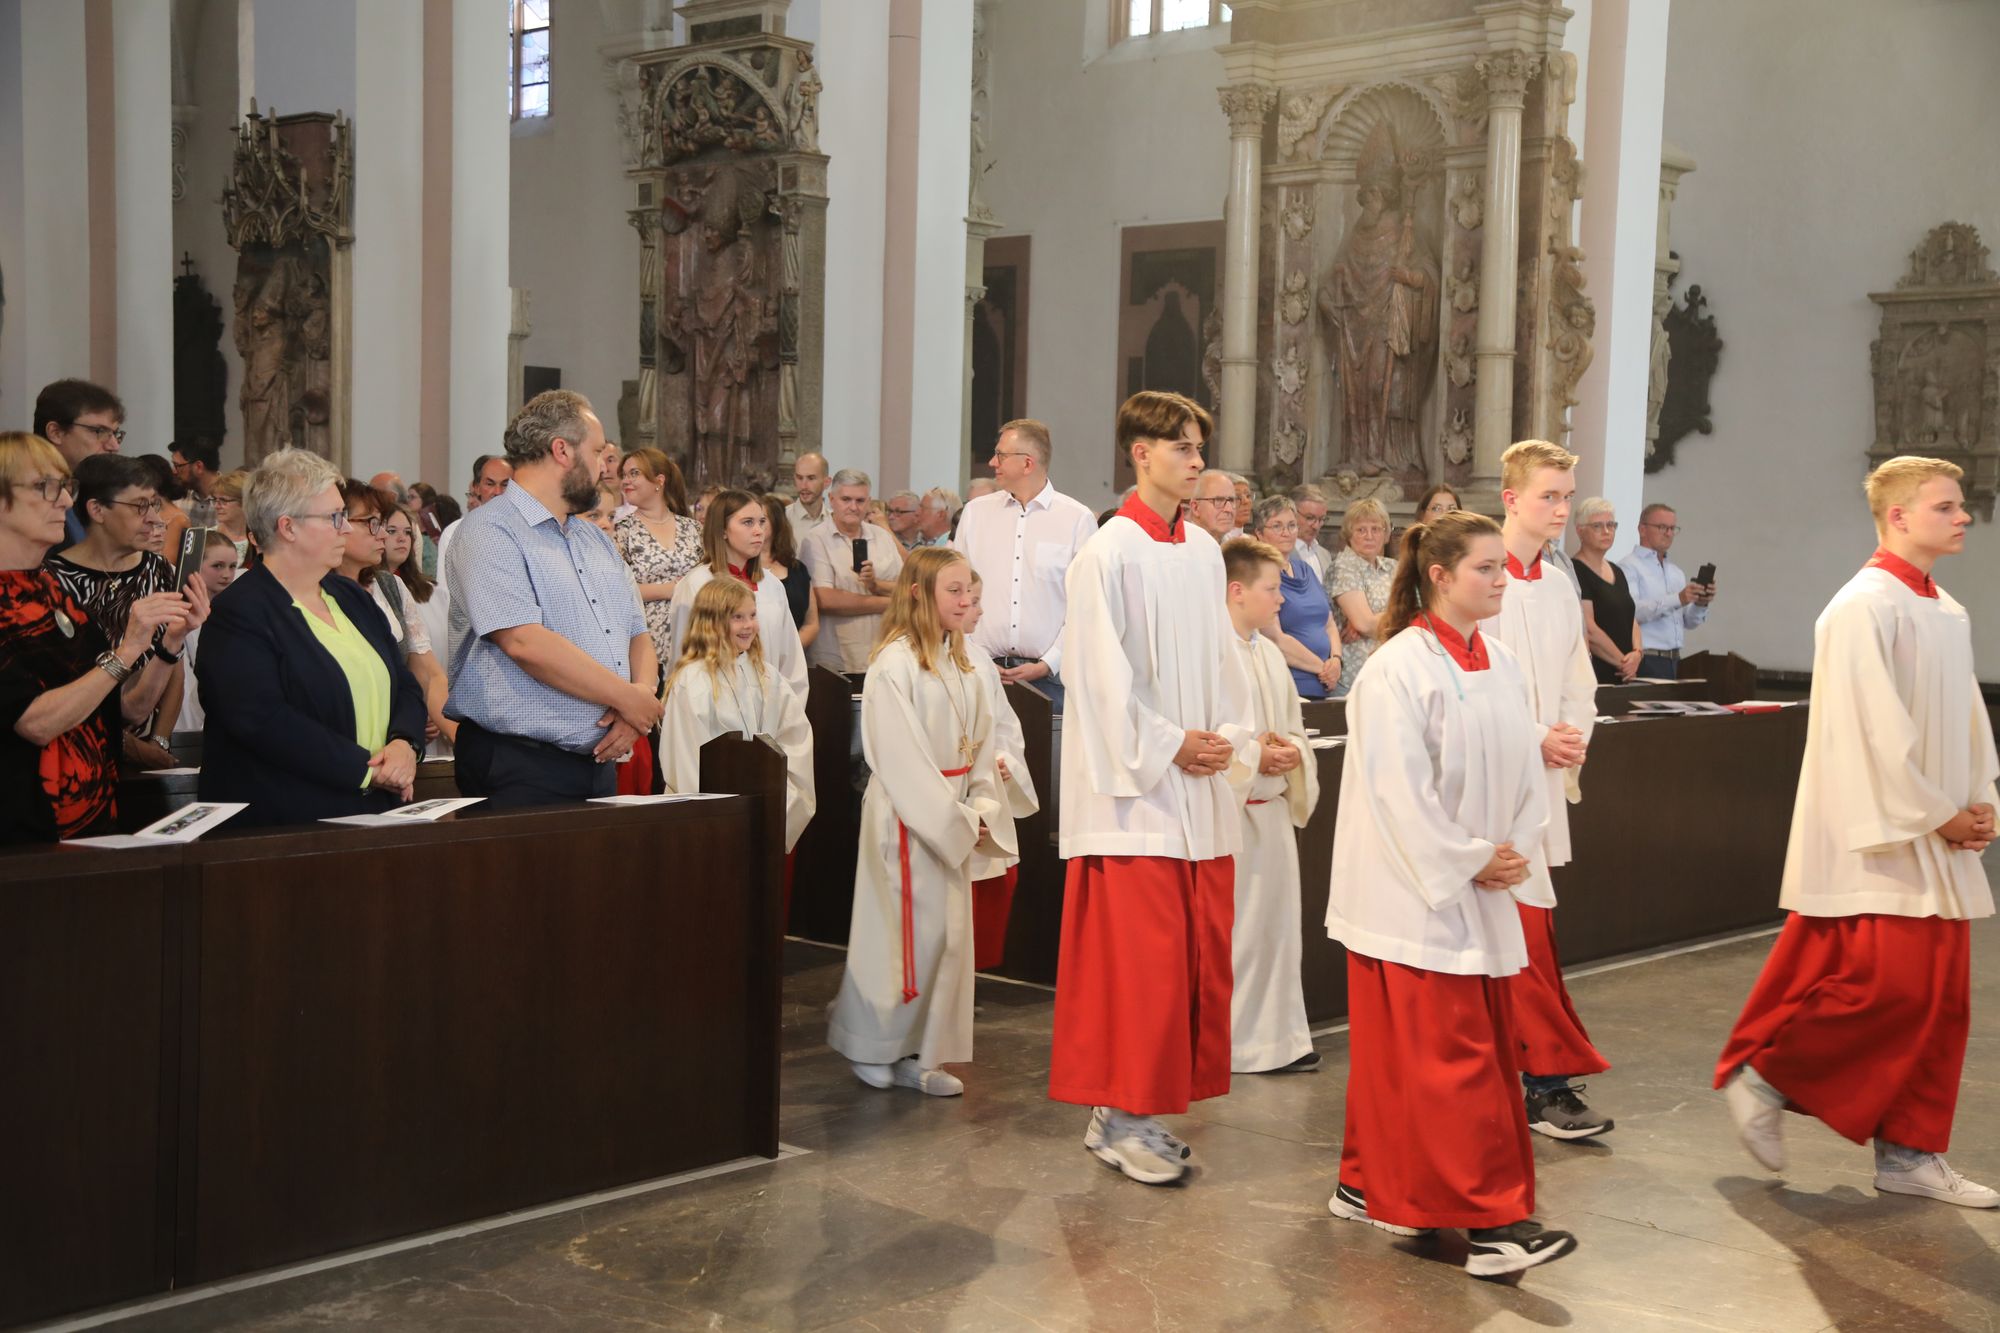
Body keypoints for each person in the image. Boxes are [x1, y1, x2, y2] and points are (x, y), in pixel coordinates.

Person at [1717, 456, 1999, 1206]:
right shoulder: (1860, 606)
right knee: (1890, 990)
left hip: (1934, 824)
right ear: (1899, 516)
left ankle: (1909, 1153)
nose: (1962, 515)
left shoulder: (1945, 606)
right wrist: (1938, 811)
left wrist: (1978, 800)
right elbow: (1871, 730)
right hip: (1882, 828)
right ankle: (1767, 1080)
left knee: (1940, 1000)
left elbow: (1968, 716)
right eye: (1946, 505)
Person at [1325, 509, 1577, 1277]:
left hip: (1482, 882)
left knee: (1437, 1058)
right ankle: (1493, 1220)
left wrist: (1516, 849)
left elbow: (1525, 762)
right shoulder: (1397, 668)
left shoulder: (1499, 661)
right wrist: (1470, 857)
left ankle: (1370, 1182)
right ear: (1439, 576)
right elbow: (1397, 792)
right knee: (1448, 1063)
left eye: (1504, 568)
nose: (1503, 581)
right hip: (1416, 894)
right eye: (1486, 569)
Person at [1049, 390, 1253, 1186]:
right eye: (1184, 448)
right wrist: (1172, 744)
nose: (1198, 462)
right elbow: (1099, 680)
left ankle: (1136, 1114)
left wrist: (1232, 738)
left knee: (1189, 963)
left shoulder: (1203, 551)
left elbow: (1223, 662)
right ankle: (1122, 1114)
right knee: (1144, 966)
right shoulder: (1107, 552)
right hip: (1136, 798)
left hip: (1194, 787)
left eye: (1200, 448)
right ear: (1140, 452)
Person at [827, 547, 1015, 1097]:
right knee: (899, 938)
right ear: (919, 593)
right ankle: (872, 1045)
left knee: (947, 941)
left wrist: (982, 809)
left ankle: (921, 1051)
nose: (965, 601)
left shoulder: (962, 661)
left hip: (953, 812)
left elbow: (979, 750)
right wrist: (954, 819)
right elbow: (899, 757)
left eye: (970, 593)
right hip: (907, 819)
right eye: (953, 591)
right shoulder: (896, 663)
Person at [442, 390, 660, 806]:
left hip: (599, 761)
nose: (604, 467)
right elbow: (524, 643)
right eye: (597, 452)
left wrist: (639, 699)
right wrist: (625, 698)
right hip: (519, 764)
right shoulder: (490, 531)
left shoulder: (594, 538)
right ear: (561, 450)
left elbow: (637, 631)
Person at [1484, 439, 1612, 1139]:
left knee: (1531, 931)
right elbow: (1468, 679)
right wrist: (1535, 732)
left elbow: (1577, 680)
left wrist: (1570, 732)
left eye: (1567, 495)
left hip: (1542, 777)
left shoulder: (1561, 584)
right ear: (1510, 499)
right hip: (1490, 784)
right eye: (1548, 496)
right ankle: (1540, 1079)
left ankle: (1533, 1078)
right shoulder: (1480, 575)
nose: (1562, 508)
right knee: (1519, 935)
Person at [196, 448, 427, 826]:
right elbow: (264, 721)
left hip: (372, 810)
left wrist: (405, 744)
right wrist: (369, 770)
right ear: (288, 527)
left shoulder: (351, 597)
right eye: (335, 517)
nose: (347, 528)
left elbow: (403, 684)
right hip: (287, 822)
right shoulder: (240, 612)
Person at [1, 433, 203, 844]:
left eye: (65, 487)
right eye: (46, 487)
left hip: (91, 822)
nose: (62, 501)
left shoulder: (49, 593)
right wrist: (127, 648)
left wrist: (168, 645)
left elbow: (123, 711)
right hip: (22, 829)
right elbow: (36, 723)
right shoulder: (25, 595)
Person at [1220, 536, 1320, 1074]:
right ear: (1237, 591)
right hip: (1234, 813)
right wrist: (1257, 755)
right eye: (1271, 588)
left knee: (1279, 931)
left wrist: (1290, 753)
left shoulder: (1266, 651)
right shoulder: (1211, 651)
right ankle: (1237, 1044)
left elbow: (1294, 727)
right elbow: (1211, 734)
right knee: (1242, 934)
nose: (1280, 599)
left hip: (1271, 810)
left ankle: (1282, 1040)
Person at [659, 577, 816, 857]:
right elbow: (686, 761)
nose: (749, 626)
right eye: (737, 617)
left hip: (764, 809)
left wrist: (781, 803)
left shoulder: (767, 675)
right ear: (711, 622)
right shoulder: (693, 680)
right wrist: (721, 818)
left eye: (753, 615)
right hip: (713, 822)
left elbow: (795, 739)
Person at [951, 419, 1096, 711]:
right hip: (980, 671)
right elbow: (956, 590)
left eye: (1001, 455)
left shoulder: (1076, 519)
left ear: (1027, 463)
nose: (993, 462)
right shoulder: (976, 514)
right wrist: (972, 655)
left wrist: (1048, 662)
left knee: (1047, 758)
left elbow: (1086, 605)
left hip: (1052, 680)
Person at [960, 569, 1040, 972]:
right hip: (950, 791)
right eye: (968, 600)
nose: (976, 610)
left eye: (976, 600)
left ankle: (969, 977)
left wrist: (1005, 762)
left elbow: (1006, 726)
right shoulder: (904, 658)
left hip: (984, 790)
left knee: (986, 890)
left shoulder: (978, 660)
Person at [666, 488, 810, 701]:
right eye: (748, 522)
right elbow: (682, 657)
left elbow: (790, 659)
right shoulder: (696, 584)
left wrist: (788, 710)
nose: (759, 531)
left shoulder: (771, 585)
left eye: (762, 522)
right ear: (722, 529)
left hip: (769, 707)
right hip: (714, 707)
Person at [45, 454, 177, 654]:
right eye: (139, 506)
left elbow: (176, 661)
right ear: (97, 510)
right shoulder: (52, 581)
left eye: (153, 504)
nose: (154, 518)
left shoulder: (159, 569)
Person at [801, 468, 904, 673]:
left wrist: (876, 585)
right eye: (846, 499)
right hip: (837, 660)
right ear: (831, 499)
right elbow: (825, 599)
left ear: (869, 501)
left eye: (860, 501)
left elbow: (907, 587)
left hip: (885, 653)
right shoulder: (815, 539)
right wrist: (889, 602)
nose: (853, 507)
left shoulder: (882, 536)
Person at [613, 447, 703, 671]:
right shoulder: (623, 531)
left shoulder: (692, 528)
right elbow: (618, 590)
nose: (626, 481)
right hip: (647, 648)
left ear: (659, 480)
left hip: (694, 640)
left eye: (634, 473)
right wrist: (671, 589)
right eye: (623, 475)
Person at [1251, 496, 1339, 699]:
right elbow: (1275, 638)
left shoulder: (1305, 569)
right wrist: (1324, 668)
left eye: (1292, 525)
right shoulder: (1260, 573)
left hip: (1325, 683)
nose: (1286, 533)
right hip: (1288, 684)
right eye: (1277, 526)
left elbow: (1329, 624)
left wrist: (1335, 659)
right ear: (1259, 534)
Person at [158, 529, 241, 734]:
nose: (226, 574)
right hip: (180, 719)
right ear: (195, 565)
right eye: (217, 566)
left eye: (232, 567)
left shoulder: (235, 611)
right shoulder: (179, 614)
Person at [1618, 503, 1714, 679]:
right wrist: (1678, 599)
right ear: (1642, 529)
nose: (1669, 533)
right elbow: (1631, 612)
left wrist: (1701, 602)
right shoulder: (1628, 567)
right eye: (1662, 527)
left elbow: (1689, 622)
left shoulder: (1676, 572)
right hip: (1646, 658)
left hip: (1675, 659)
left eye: (1672, 528)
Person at [34, 378, 126, 549]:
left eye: (115, 434)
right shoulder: (25, 492)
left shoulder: (90, 491)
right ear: (56, 432)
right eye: (99, 431)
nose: (114, 446)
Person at [1328, 498, 1395, 696]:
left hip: (1390, 674)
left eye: (1376, 529)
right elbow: (1365, 624)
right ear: (1349, 534)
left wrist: (1377, 619)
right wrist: (1404, 617)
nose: (1369, 536)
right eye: (1361, 530)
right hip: (1354, 677)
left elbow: (1423, 614)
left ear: (1386, 534)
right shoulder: (1344, 566)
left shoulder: (1394, 567)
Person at [1570, 497, 1641, 684]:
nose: (1606, 531)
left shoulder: (1617, 570)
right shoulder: (1575, 570)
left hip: (1626, 671)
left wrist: (1638, 654)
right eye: (1597, 526)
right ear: (1580, 531)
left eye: (1611, 525)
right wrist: (1623, 663)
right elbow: (1588, 628)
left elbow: (1630, 618)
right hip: (1598, 672)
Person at [435, 455, 511, 599]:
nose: (498, 492)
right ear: (476, 488)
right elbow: (445, 593)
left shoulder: (528, 531)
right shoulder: (454, 533)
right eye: (490, 484)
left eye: (505, 484)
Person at [760, 493, 821, 651]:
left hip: (793, 657)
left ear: (777, 522)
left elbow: (811, 623)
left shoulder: (797, 569)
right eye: (749, 521)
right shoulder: (740, 567)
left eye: (761, 520)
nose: (755, 526)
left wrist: (788, 653)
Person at [1288, 483, 1332, 581]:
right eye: (1310, 518)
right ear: (1292, 513)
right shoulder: (1281, 552)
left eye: (1321, 519)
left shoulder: (1325, 555)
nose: (1316, 526)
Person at [786, 451, 832, 536]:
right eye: (799, 478)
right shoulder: (782, 519)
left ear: (826, 482)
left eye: (811, 478)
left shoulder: (835, 522)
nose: (803, 486)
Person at [1188, 469, 1240, 544]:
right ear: (1195, 508)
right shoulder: (1180, 549)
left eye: (1232, 500)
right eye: (1218, 500)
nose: (1229, 509)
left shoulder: (1234, 548)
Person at [210, 470, 251, 562]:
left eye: (223, 500)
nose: (216, 506)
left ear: (244, 502)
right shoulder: (204, 538)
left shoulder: (258, 542)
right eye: (215, 499)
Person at [171, 440, 222, 506]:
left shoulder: (233, 498)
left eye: (177, 465)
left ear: (199, 467)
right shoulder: (179, 502)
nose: (174, 471)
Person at [884, 489, 924, 557]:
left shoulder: (928, 541)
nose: (891, 517)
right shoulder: (884, 540)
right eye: (890, 511)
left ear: (916, 514)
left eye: (898, 512)